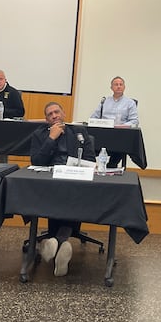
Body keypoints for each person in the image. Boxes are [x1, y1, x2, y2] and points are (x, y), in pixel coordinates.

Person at [29, 101, 95, 276]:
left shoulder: (79, 133)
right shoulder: (39, 134)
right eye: (50, 114)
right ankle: (62, 242)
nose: (54, 116)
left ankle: (54, 242)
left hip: (74, 179)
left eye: (57, 112)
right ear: (46, 119)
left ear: (64, 114)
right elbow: (36, 161)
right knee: (61, 193)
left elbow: (90, 159)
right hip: (50, 179)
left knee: (72, 192)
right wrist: (51, 138)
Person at [90, 76, 138, 167]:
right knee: (89, 142)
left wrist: (121, 126)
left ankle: (111, 166)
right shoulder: (104, 101)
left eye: (121, 84)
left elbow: (134, 121)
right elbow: (94, 117)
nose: (118, 86)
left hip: (119, 134)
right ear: (111, 87)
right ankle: (93, 166)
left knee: (121, 145)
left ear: (124, 87)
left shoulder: (130, 103)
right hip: (103, 133)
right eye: (116, 84)